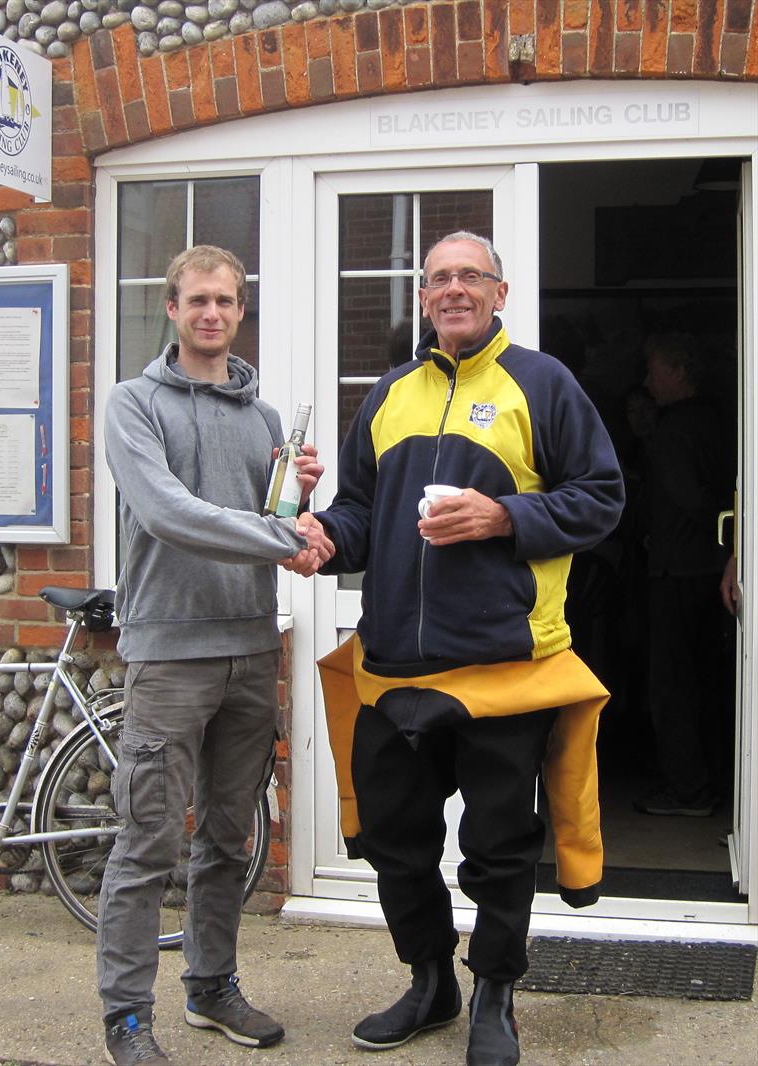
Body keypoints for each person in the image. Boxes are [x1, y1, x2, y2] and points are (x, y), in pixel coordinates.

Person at [295, 232, 624, 1066]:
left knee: (499, 849)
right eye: (438, 278)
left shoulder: (543, 385)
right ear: (425, 297)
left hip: (503, 670)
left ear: (499, 292)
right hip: (394, 672)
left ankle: (495, 996)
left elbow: (602, 499)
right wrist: (324, 537)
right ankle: (430, 982)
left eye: (468, 277)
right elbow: (361, 514)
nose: (451, 290)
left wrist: (505, 516)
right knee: (395, 842)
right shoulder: (391, 392)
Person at [100, 245, 331, 1066]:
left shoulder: (263, 418)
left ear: (240, 311)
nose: (212, 313)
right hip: (169, 654)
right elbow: (168, 512)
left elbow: (269, 520)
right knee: (147, 842)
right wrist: (282, 535)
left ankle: (211, 985)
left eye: (226, 301)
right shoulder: (132, 404)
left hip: (248, 647)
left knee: (230, 838)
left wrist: (298, 496)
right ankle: (128, 1016)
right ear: (172, 308)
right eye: (197, 300)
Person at [634, 332, 734, 818]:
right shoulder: (721, 419)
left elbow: (689, 497)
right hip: (712, 569)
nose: (648, 381)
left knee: (672, 685)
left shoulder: (672, 431)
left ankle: (686, 790)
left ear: (679, 373)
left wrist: (658, 532)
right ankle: (714, 780)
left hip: (676, 571)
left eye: (654, 370)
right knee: (711, 680)